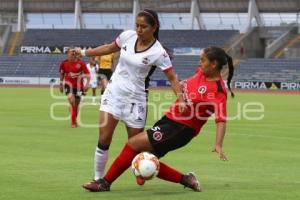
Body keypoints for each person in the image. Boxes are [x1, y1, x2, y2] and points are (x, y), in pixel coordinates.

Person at [82, 46, 235, 192]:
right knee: (143, 159)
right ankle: (186, 179)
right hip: (169, 120)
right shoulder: (200, 73)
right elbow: (183, 86)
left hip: (181, 128)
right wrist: (180, 87)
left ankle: (104, 183)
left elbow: (221, 119)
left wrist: (218, 144)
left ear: (214, 64)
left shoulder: (218, 90)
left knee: (133, 144)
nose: (199, 63)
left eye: (202, 60)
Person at [72, 9, 186, 184]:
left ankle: (152, 173)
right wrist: (83, 53)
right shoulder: (127, 36)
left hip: (136, 101)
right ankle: (97, 179)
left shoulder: (159, 52)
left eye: (143, 27)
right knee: (104, 137)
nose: (139, 30)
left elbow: (171, 78)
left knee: (136, 147)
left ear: (154, 27)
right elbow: (109, 48)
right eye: (137, 26)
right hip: (114, 94)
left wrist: (181, 99)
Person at [59, 48, 90, 128]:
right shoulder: (64, 63)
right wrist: (61, 83)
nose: (73, 53)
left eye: (74, 51)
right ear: (68, 54)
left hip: (79, 86)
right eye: (71, 52)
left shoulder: (81, 63)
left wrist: (87, 84)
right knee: (71, 100)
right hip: (68, 85)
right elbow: (62, 74)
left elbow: (87, 74)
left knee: (76, 104)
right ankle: (73, 123)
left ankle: (74, 120)